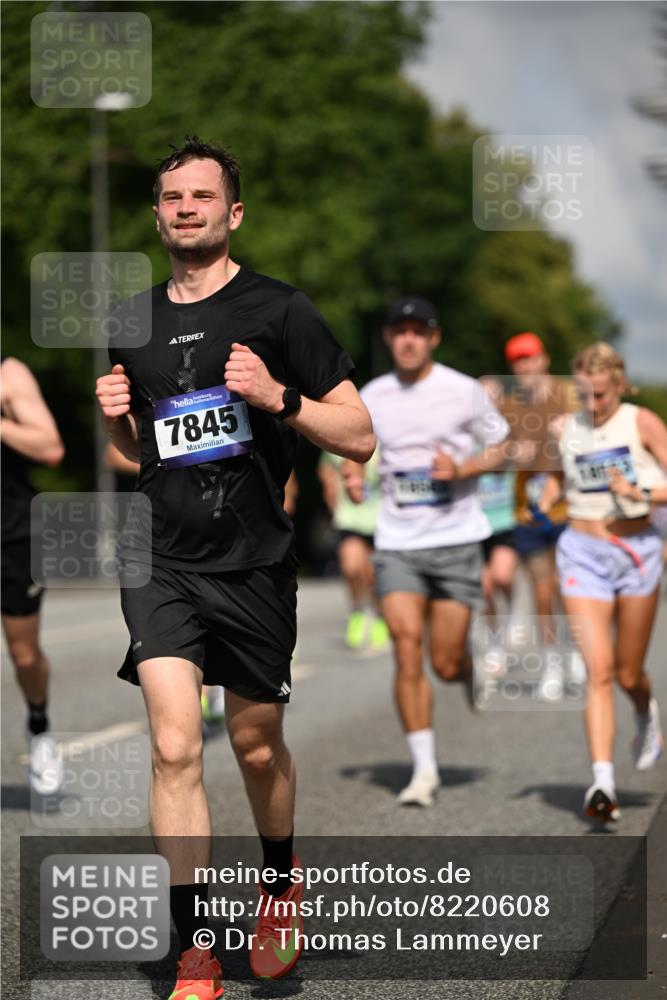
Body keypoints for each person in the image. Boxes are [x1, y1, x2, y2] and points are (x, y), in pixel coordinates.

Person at [95, 136, 374, 998]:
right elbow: (135, 455)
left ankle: (280, 885)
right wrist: (113, 425)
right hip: (159, 557)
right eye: (172, 197)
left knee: (254, 748)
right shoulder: (127, 322)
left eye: (202, 196)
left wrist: (277, 398)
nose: (186, 208)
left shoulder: (280, 310)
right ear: (157, 215)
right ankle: (195, 950)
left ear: (233, 212)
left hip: (253, 561)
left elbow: (359, 434)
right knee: (175, 745)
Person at [344, 297, 509, 807]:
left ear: (434, 337)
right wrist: (352, 472)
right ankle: (424, 770)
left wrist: (462, 469)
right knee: (406, 645)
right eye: (400, 331)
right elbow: (353, 444)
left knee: (445, 662)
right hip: (398, 543)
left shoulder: (463, 390)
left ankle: (467, 668)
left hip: (456, 539)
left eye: (418, 331)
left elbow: (502, 448)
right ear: (388, 338)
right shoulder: (372, 394)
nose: (408, 340)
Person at [537, 343, 666, 822]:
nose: (592, 405)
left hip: (636, 554)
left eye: (601, 396)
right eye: (585, 395)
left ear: (620, 386)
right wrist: (543, 499)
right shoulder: (566, 428)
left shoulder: (641, 421)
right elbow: (557, 479)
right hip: (582, 553)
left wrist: (640, 491)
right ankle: (603, 784)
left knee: (629, 674)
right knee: (599, 670)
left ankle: (645, 711)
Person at [502, 332, 579, 700]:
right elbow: (494, 450)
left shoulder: (570, 396)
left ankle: (575, 653)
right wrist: (510, 453)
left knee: (568, 587)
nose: (525, 366)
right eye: (518, 361)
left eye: (530, 358)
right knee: (542, 590)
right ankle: (551, 664)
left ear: (544, 359)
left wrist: (568, 435)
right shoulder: (509, 405)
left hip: (569, 508)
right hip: (528, 512)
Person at [1, 357, 65, 793]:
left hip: (11, 535)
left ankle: (39, 726)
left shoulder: (8, 375)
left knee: (24, 655)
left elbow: (50, 447)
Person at [317, 448, 388, 650]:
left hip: (379, 517)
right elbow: (325, 468)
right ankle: (357, 611)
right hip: (349, 517)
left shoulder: (383, 440)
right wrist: (331, 491)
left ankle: (379, 615)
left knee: (373, 573)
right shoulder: (340, 441)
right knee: (351, 567)